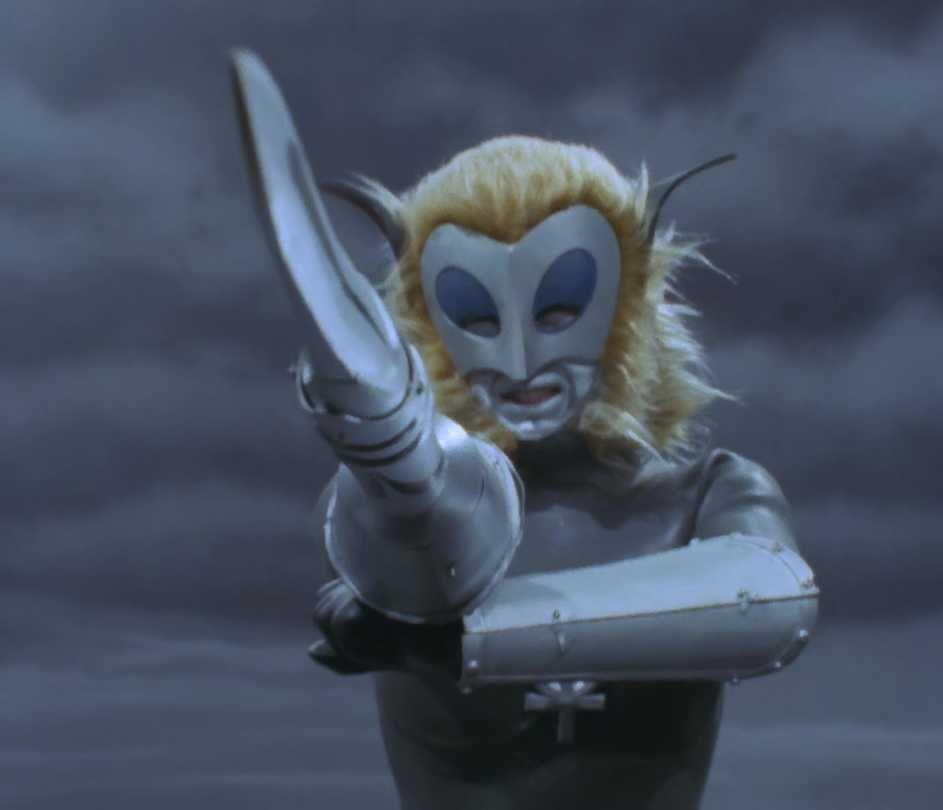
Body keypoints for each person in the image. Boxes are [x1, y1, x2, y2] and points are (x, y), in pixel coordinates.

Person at [233, 51, 818, 810]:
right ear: (429, 321)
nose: (518, 361)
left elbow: (769, 601)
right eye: (476, 316)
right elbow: (382, 528)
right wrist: (389, 458)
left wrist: (455, 640)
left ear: (627, 298)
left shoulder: (712, 495)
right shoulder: (403, 520)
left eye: (559, 308)